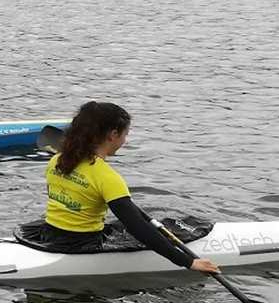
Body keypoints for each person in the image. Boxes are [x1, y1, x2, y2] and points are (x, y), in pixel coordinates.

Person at [25, 101, 221, 271]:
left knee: (127, 221)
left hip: (50, 233)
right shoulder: (107, 177)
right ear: (113, 134)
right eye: (125, 135)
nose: (124, 141)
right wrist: (188, 262)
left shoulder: (57, 161)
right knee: (139, 227)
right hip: (82, 243)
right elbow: (138, 229)